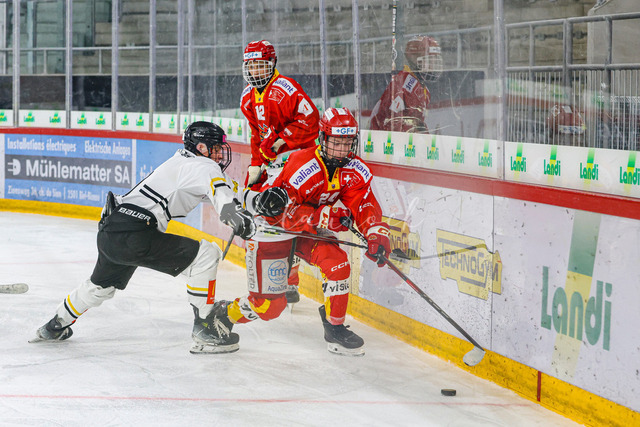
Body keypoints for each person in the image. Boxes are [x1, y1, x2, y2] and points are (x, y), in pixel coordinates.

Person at [30, 121, 283, 354]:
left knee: (99, 286)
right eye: (216, 148)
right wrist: (234, 216)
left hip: (111, 230)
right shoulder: (204, 166)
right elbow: (223, 196)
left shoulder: (183, 163)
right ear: (201, 147)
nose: (219, 155)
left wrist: (259, 200)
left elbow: (229, 191)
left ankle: (55, 324)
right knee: (206, 254)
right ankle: (206, 328)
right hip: (136, 233)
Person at [205, 107, 391, 357]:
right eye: (336, 142)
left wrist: (375, 233)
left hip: (306, 230)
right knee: (269, 307)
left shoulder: (355, 169)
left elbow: (364, 204)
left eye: (347, 143)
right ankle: (224, 314)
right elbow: (280, 213)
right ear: (323, 139)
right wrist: (325, 217)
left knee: (338, 264)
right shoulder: (303, 165)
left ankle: (335, 328)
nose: (341, 149)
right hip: (271, 229)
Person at [240, 39, 321, 303]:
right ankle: (274, 273)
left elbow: (311, 121)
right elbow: (257, 135)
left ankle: (290, 280)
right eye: (251, 66)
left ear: (272, 63)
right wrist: (256, 164)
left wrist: (281, 141)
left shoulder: (286, 89)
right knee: (261, 212)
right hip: (272, 164)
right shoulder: (247, 98)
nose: (255, 71)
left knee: (289, 218)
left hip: (298, 162)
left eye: (261, 65)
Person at [370, 35, 442, 133]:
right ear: (415, 59)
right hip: (383, 139)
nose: (433, 65)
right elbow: (391, 123)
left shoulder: (424, 90)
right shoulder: (403, 83)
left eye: (434, 60)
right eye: (430, 60)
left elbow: (416, 124)